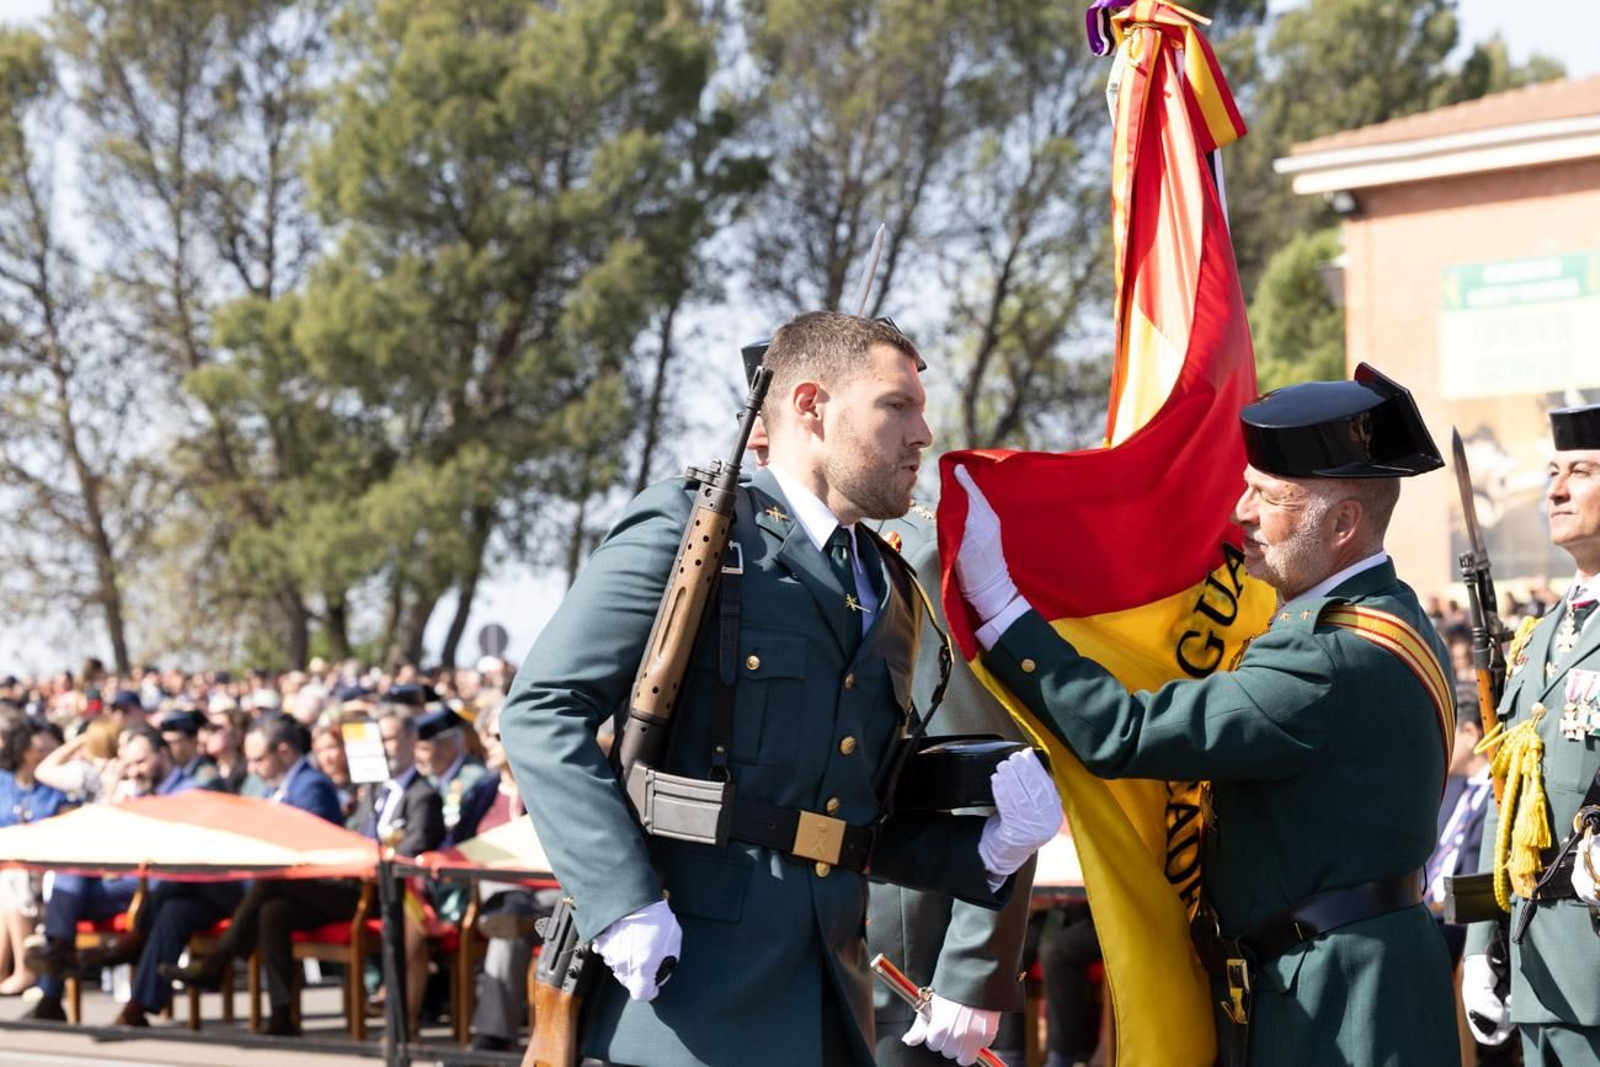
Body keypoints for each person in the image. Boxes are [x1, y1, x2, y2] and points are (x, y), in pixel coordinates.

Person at [500, 311, 1059, 1067]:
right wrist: (620, 896)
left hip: (829, 996)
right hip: (691, 999)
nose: (924, 433)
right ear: (809, 406)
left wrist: (983, 851)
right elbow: (542, 711)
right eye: (897, 406)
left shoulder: (888, 585)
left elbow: (847, 813)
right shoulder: (695, 532)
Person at [950, 366, 1459, 1065]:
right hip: (1341, 973)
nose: (1241, 512)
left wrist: (1000, 604)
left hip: (1336, 1003)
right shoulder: (1383, 616)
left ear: (1342, 523)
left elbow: (1123, 733)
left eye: (1266, 496)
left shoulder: (1328, 655)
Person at [164, 706, 442, 1036]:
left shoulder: (422, 795)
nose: (384, 747)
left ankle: (218, 963)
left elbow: (410, 850)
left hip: (385, 893)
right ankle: (283, 1015)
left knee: (271, 884)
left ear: (413, 740)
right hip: (344, 882)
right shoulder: (375, 792)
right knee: (273, 911)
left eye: (392, 738)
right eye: (379, 739)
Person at [1466, 402, 1600, 1064]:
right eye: (1552, 471)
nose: (1555, 489)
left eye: (1580, 471)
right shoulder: (1537, 638)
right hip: (1534, 964)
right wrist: (1476, 948)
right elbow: (1504, 792)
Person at [107, 716, 344, 1027]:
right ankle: (139, 1005)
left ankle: (154, 943)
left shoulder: (310, 786)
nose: (254, 768)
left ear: (284, 752)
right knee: (178, 909)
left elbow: (302, 848)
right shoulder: (268, 787)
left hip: (304, 887)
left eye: (260, 759)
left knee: (189, 876)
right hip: (257, 884)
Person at [24, 724, 204, 1021]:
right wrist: (110, 794)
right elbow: (103, 838)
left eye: (140, 763)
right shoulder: (134, 790)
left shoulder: (187, 792)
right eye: (129, 764)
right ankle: (59, 955)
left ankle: (57, 967)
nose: (133, 771)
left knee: (154, 894)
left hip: (158, 881)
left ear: (161, 754)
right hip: (121, 878)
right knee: (69, 869)